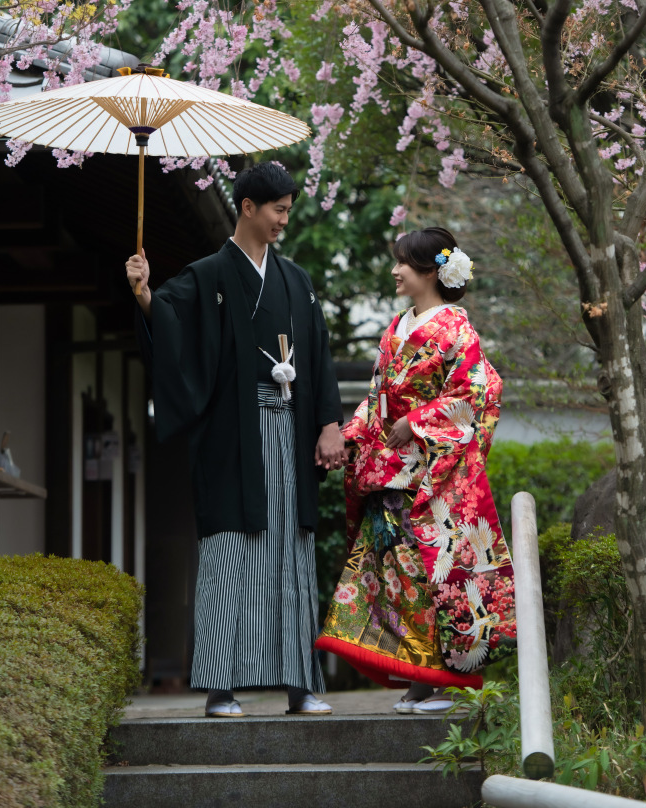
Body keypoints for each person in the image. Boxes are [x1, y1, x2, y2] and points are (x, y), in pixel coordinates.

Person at [126, 161, 346, 718]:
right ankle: (222, 686)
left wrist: (328, 423)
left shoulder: (296, 279)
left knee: (291, 555)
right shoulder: (207, 274)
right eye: (277, 210)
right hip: (233, 436)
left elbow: (317, 356)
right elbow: (171, 325)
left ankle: (300, 682)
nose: (283, 222)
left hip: (291, 433)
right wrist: (146, 293)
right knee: (229, 552)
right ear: (247, 207)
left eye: (288, 211)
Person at [315, 226, 516, 713]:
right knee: (398, 578)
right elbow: (376, 397)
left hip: (432, 479)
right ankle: (421, 680)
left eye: (402, 262)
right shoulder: (397, 326)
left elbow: (479, 392)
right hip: (390, 473)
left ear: (429, 270)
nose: (395, 270)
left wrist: (418, 420)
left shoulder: (455, 328)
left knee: (434, 578)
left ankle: (444, 682)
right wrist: (351, 433)